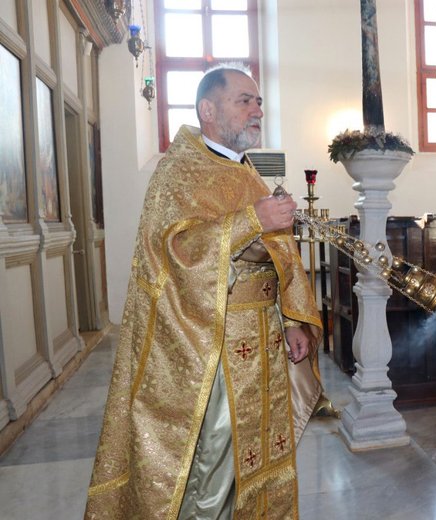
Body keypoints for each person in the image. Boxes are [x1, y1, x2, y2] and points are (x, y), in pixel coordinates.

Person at [85, 64, 323, 518]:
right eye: (244, 101)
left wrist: (292, 319)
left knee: (258, 458)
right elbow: (174, 252)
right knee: (214, 465)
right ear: (208, 109)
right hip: (211, 347)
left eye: (258, 102)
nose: (257, 110)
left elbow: (278, 254)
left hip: (264, 340)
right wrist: (253, 219)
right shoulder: (179, 171)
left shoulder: (246, 172)